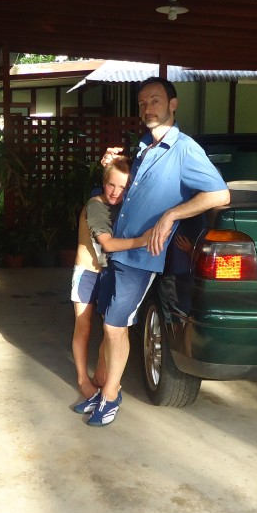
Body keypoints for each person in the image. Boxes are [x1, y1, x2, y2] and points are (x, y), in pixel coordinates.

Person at [82, 76, 231, 427]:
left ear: (173, 105)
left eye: (156, 100)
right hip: (118, 254)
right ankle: (103, 388)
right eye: (143, 103)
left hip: (140, 258)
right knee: (109, 324)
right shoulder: (146, 146)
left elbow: (219, 195)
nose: (148, 108)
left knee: (116, 328)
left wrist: (171, 215)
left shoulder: (184, 149)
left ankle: (110, 396)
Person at [69, 157, 150, 408]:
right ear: (104, 183)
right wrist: (145, 240)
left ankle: (102, 380)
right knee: (83, 327)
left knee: (109, 328)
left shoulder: (122, 207)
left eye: (122, 187)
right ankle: (84, 381)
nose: (115, 192)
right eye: (111, 185)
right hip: (86, 273)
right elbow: (108, 244)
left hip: (107, 273)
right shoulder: (96, 206)